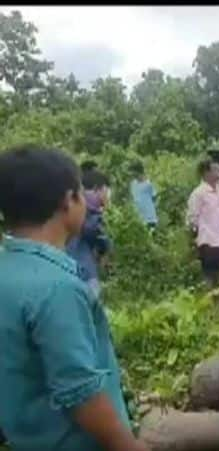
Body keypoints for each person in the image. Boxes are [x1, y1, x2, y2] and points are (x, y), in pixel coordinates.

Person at [0, 145, 149, 451]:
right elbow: (81, 392)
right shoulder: (57, 288)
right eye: (81, 191)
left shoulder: (7, 270)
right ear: (69, 201)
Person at [66, 168, 112, 300]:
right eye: (106, 191)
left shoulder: (68, 203)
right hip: (83, 270)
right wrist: (105, 247)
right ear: (97, 189)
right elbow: (96, 234)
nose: (107, 196)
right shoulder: (90, 210)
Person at [187, 160, 219, 287]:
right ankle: (209, 299)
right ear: (207, 173)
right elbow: (192, 218)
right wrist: (194, 238)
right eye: (215, 170)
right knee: (210, 273)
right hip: (208, 240)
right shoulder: (198, 193)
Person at [129, 161, 158, 232]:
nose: (132, 174)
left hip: (149, 219)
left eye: (133, 172)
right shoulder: (133, 184)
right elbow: (133, 198)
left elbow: (154, 197)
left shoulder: (148, 184)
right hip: (137, 219)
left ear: (138, 171)